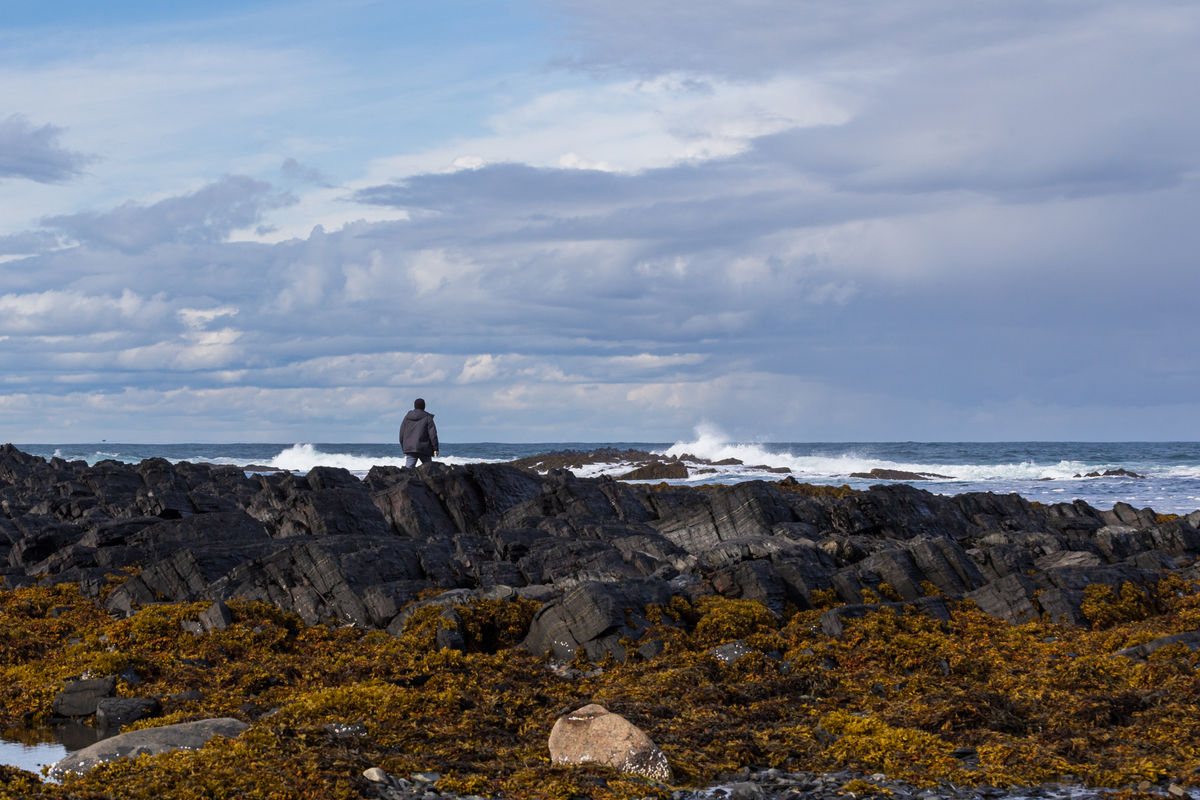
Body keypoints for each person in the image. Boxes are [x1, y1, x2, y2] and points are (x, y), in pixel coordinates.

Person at [399, 398, 438, 468]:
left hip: (410, 449)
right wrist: (436, 449)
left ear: (414, 406)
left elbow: (401, 434)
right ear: (424, 406)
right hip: (424, 449)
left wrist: (404, 449)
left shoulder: (407, 417)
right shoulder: (427, 417)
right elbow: (433, 435)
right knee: (430, 470)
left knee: (408, 470)